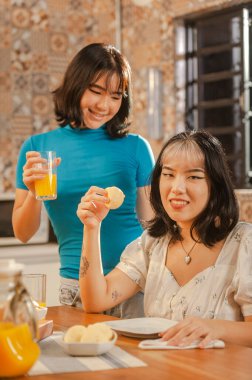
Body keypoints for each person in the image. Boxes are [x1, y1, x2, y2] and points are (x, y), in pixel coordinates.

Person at [12, 43, 155, 317]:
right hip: (75, 287)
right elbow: (23, 233)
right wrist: (32, 193)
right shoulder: (39, 147)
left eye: (116, 95)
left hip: (133, 283)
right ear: (76, 86)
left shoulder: (136, 147)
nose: (105, 105)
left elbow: (153, 224)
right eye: (96, 91)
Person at [77, 130, 252, 347]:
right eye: (168, 175)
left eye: (194, 177)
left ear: (215, 186)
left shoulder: (245, 243)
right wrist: (91, 228)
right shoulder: (153, 243)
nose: (177, 188)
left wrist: (214, 327)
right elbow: (96, 300)